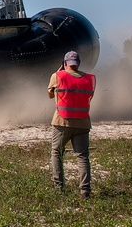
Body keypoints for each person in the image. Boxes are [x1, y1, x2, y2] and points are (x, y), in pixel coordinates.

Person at [48, 50, 96, 198]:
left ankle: (59, 187)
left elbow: (50, 95)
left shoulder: (58, 76)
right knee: (82, 156)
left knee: (57, 152)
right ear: (78, 63)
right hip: (82, 122)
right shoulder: (90, 79)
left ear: (65, 63)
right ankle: (85, 190)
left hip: (62, 122)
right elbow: (89, 97)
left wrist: (57, 75)